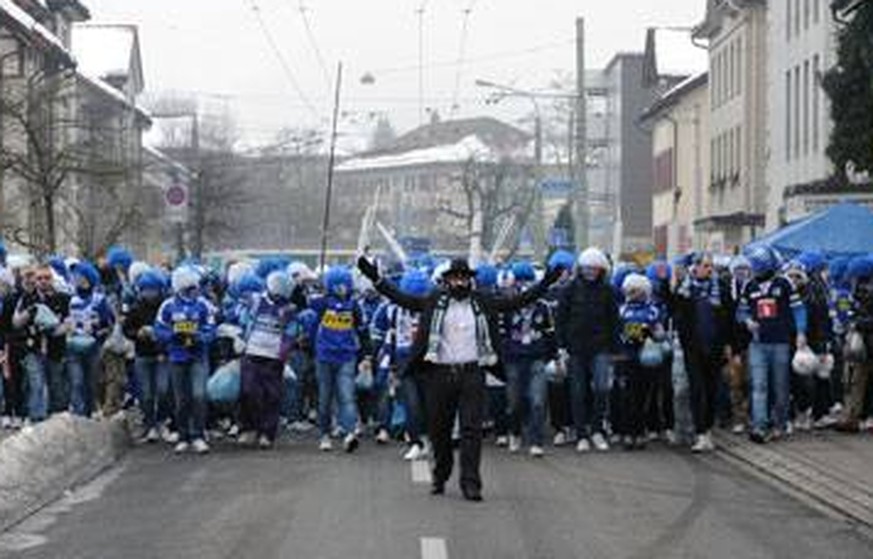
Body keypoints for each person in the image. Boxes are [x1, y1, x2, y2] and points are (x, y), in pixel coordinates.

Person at [357, 256, 560, 502]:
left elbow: (516, 302)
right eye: (456, 277)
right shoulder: (435, 301)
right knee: (439, 431)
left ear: (470, 280)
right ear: (447, 280)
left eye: (464, 277)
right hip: (439, 373)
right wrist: (376, 278)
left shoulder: (482, 303)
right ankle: (441, 474)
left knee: (471, 430)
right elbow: (403, 299)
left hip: (472, 373)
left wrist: (546, 283)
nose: (460, 282)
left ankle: (471, 483)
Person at [738, 246, 807, 444]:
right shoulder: (749, 286)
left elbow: (798, 309)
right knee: (759, 385)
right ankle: (760, 425)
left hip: (781, 343)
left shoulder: (784, 283)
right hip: (758, 344)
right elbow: (740, 311)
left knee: (780, 386)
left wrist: (801, 332)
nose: (755, 270)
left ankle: (781, 422)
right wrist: (747, 321)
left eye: (758, 267)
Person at [555, 248, 619, 453]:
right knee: (577, 391)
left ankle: (597, 429)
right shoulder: (570, 290)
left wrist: (614, 348)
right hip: (575, 349)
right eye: (587, 268)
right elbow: (560, 320)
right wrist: (561, 346)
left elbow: (614, 321)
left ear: (601, 270)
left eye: (595, 268)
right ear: (580, 269)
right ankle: (581, 433)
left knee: (601, 388)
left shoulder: (608, 291)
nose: (590, 272)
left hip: (600, 347)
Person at [309, 266, 371, 453]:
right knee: (324, 398)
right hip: (324, 357)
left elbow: (363, 332)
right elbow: (309, 308)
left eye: (344, 285)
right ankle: (325, 434)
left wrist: (366, 356)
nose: (341, 289)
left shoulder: (354, 306)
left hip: (347, 356)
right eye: (337, 286)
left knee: (347, 396)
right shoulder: (322, 304)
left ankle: (350, 433)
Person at [155, 266, 216, 455]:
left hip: (198, 357)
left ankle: (198, 435)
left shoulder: (204, 305)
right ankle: (183, 436)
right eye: (188, 287)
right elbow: (159, 329)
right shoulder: (167, 306)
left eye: (194, 287)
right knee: (181, 400)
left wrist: (199, 337)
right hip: (177, 357)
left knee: (199, 395)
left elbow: (211, 329)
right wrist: (173, 336)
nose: (193, 290)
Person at [238, 271, 301, 449]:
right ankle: (248, 428)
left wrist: (283, 352)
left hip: (274, 357)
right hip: (252, 353)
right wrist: (241, 339)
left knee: (272, 396)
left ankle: (267, 433)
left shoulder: (289, 309)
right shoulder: (256, 301)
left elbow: (291, 331)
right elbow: (243, 320)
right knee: (248, 391)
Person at [501, 261, 557, 457]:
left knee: (538, 400)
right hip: (514, 360)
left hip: (537, 359)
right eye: (520, 281)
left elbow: (551, 334)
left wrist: (553, 357)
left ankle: (536, 440)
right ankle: (514, 432)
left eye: (528, 281)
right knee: (514, 402)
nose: (524, 285)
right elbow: (502, 334)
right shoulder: (508, 305)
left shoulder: (544, 307)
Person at [124, 269, 170, 442]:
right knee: (146, 393)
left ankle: (162, 420)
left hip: (162, 355)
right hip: (142, 354)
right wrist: (138, 333)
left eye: (152, 289)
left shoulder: (166, 306)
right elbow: (126, 330)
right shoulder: (136, 308)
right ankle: (150, 424)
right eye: (144, 289)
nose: (148, 293)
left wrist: (158, 333)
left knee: (163, 389)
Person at [66, 262, 114, 418]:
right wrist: (68, 326)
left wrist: (96, 328)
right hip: (73, 346)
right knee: (76, 381)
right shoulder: (70, 298)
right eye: (75, 275)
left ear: (87, 278)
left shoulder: (100, 300)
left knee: (91, 382)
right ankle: (79, 416)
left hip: (93, 347)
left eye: (79, 275)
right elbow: (65, 320)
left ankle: (90, 412)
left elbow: (109, 324)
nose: (75, 278)